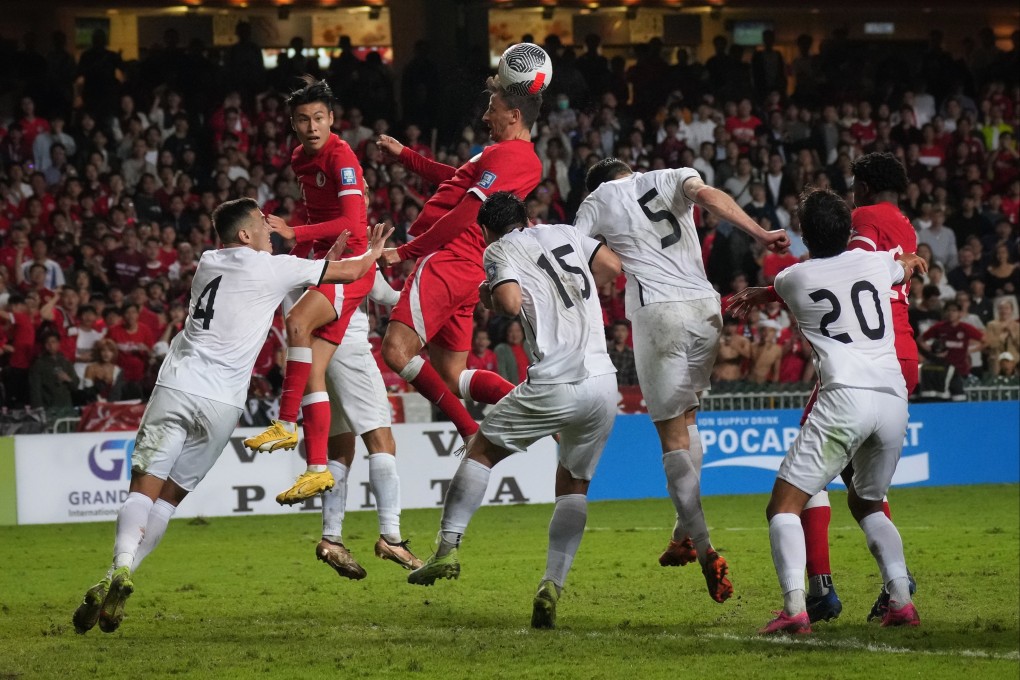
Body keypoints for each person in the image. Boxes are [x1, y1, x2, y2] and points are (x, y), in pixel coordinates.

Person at [71, 198, 391, 635]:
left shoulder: (208, 261)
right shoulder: (273, 268)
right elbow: (351, 274)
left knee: (142, 490)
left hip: (178, 386)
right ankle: (115, 577)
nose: (269, 228)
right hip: (222, 405)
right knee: (168, 501)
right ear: (244, 234)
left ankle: (121, 567)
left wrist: (325, 259)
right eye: (262, 223)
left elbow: (297, 274)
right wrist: (374, 250)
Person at [575, 157, 789, 603]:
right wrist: (761, 233)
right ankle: (681, 534)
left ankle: (706, 548)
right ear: (630, 169)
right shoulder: (670, 176)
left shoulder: (597, 199)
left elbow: (577, 256)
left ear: (596, 185)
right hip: (705, 307)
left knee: (672, 435)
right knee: (689, 419)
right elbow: (709, 197)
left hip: (659, 311)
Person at [407, 192, 622, 631]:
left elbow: (507, 302)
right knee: (574, 484)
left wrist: (489, 293)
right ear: (526, 216)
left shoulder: (498, 250)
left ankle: (446, 550)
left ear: (486, 230)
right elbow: (611, 267)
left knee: (481, 451)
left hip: (555, 380)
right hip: (604, 381)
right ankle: (551, 585)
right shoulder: (566, 232)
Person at [729, 189, 925, 634]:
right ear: (847, 229)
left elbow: (783, 288)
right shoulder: (876, 264)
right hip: (893, 399)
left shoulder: (793, 278)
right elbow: (904, 263)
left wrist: (759, 294)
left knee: (783, 506)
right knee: (868, 503)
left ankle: (796, 609)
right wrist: (911, 260)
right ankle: (901, 601)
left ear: (803, 233)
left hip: (844, 397)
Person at [373, 76, 543, 443]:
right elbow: (457, 179)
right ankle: (535, 409)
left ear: (514, 116)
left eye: (493, 110)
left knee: (395, 351)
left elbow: (467, 212)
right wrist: (407, 156)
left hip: (449, 259)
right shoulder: (512, 157)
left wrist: (404, 252)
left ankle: (469, 430)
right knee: (452, 376)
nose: (485, 117)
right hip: (470, 267)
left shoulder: (508, 154)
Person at [243, 78, 376, 505]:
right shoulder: (300, 158)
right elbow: (317, 216)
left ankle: (286, 423)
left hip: (349, 266)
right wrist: (294, 256)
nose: (312, 126)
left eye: (319, 117)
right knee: (312, 370)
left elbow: (352, 224)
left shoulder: (342, 157)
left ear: (332, 119)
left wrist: (294, 233)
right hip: (325, 261)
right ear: (293, 124)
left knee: (297, 320)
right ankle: (317, 470)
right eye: (303, 119)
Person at [316, 270, 423, 578]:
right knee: (382, 443)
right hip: (349, 347)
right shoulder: (355, 252)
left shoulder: (305, 254)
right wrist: (420, 288)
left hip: (317, 352)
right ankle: (391, 537)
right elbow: (385, 295)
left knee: (340, 448)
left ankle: (331, 538)